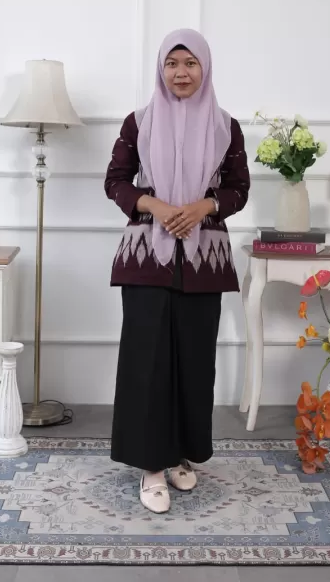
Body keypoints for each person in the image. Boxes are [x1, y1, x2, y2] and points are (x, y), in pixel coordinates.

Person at [104, 28, 250, 513]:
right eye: (172, 63)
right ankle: (151, 466)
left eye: (190, 63)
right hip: (146, 259)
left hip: (204, 261)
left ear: (204, 67)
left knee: (194, 363)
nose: (181, 73)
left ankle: (181, 454)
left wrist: (204, 206)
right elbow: (116, 181)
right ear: (160, 69)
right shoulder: (138, 122)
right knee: (147, 365)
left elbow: (238, 188)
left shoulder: (226, 127)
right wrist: (157, 206)